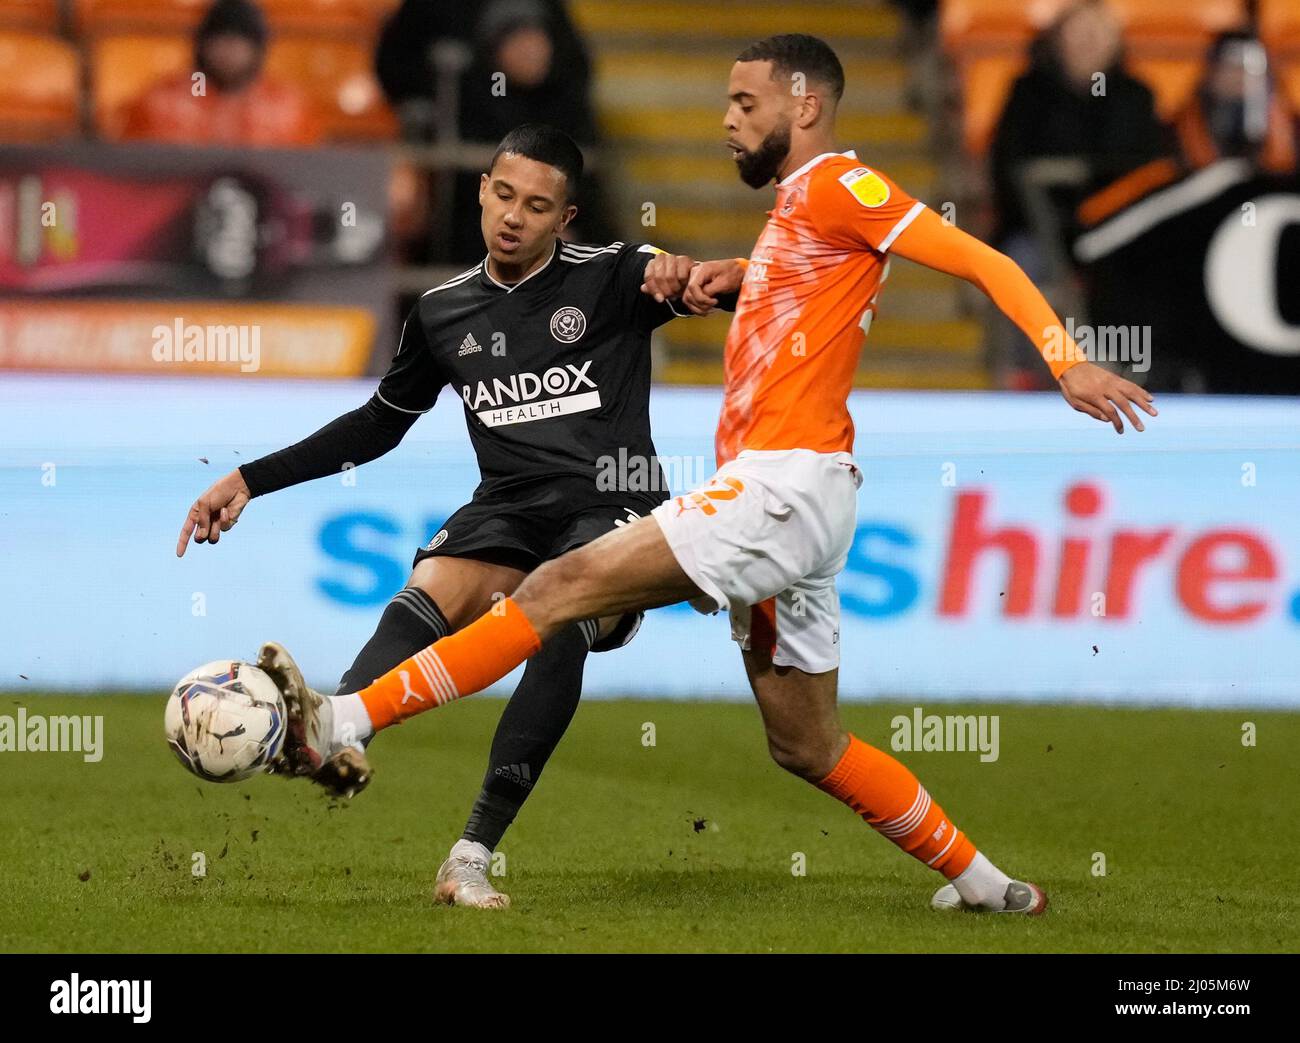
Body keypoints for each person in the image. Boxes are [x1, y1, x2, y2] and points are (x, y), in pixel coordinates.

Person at [267, 34, 1157, 914]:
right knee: (806, 743)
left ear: (803, 105)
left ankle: (345, 719)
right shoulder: (797, 214)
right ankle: (987, 885)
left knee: (558, 584)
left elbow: (981, 258)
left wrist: (1064, 356)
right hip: (808, 496)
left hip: (782, 486)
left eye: (746, 104)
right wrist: (747, 277)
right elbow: (810, 291)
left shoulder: (843, 184)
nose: (727, 122)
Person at [177, 124, 730, 908]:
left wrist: (703, 275)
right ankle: (335, 728)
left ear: (565, 218)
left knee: (561, 616)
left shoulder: (615, 275)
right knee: (428, 587)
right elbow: (378, 423)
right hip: (507, 507)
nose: (513, 216)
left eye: (537, 206)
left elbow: (726, 286)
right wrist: (250, 478)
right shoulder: (443, 311)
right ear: (481, 190)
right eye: (502, 194)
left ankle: (471, 853)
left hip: (612, 505)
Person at [121, 0, 321, 148]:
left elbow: (305, 176)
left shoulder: (290, 108)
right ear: (202, 45)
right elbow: (132, 167)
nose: (228, 51)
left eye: (239, 43)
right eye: (219, 39)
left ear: (257, 50)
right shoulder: (159, 102)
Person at [1172, 29, 1297, 176]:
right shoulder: (1176, 130)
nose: (1241, 77)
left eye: (1252, 70)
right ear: (1211, 74)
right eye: (1231, 68)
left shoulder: (1294, 129)